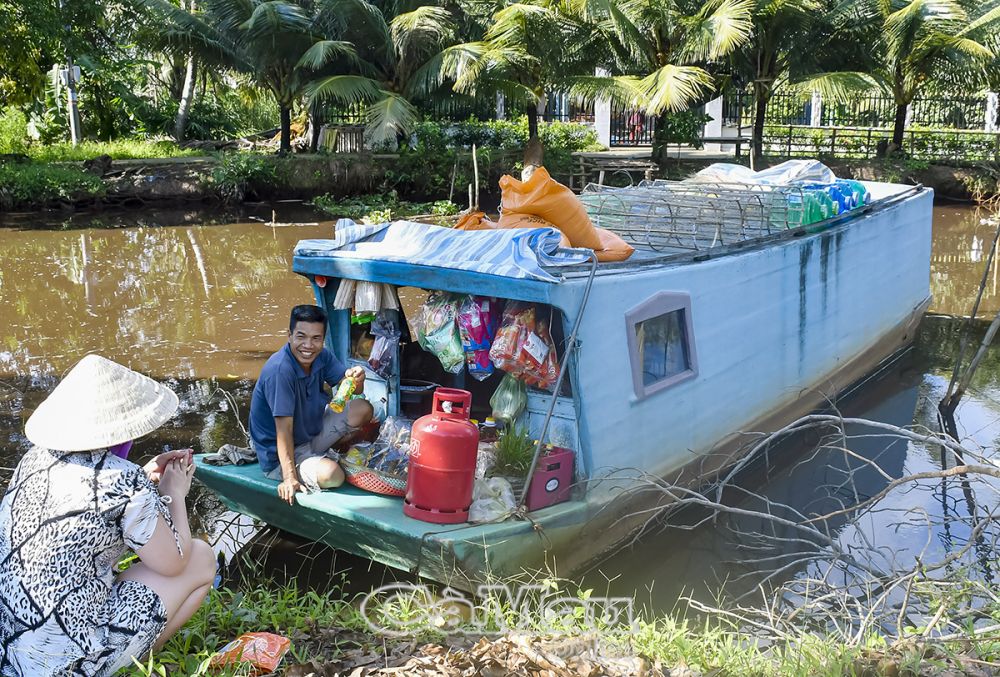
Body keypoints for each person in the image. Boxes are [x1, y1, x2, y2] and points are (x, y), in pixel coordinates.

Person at [0, 354, 216, 676]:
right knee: (201, 557)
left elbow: (90, 501)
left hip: (12, 653)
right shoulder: (122, 481)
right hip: (65, 665)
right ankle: (124, 660)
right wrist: (174, 493)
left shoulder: (33, 459)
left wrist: (143, 478)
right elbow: (175, 561)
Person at [250, 304, 374, 505]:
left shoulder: (322, 355)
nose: (308, 345)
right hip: (279, 455)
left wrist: (357, 379)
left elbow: (353, 391)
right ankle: (310, 464)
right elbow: (283, 430)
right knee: (334, 475)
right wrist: (289, 478)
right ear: (289, 334)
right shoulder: (280, 371)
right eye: (301, 336)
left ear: (323, 339)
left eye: (316, 338)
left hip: (311, 434)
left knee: (363, 408)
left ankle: (323, 454)